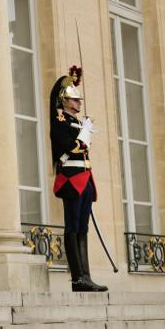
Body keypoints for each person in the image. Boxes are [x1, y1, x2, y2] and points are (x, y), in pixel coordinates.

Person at [49, 66, 107, 292]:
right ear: (64, 101)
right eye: (74, 100)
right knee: (72, 227)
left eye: (78, 99)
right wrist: (84, 134)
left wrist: (85, 129)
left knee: (83, 228)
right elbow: (71, 148)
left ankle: (86, 275)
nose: (78, 103)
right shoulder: (61, 120)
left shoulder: (78, 122)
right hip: (71, 178)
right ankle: (77, 278)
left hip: (84, 178)